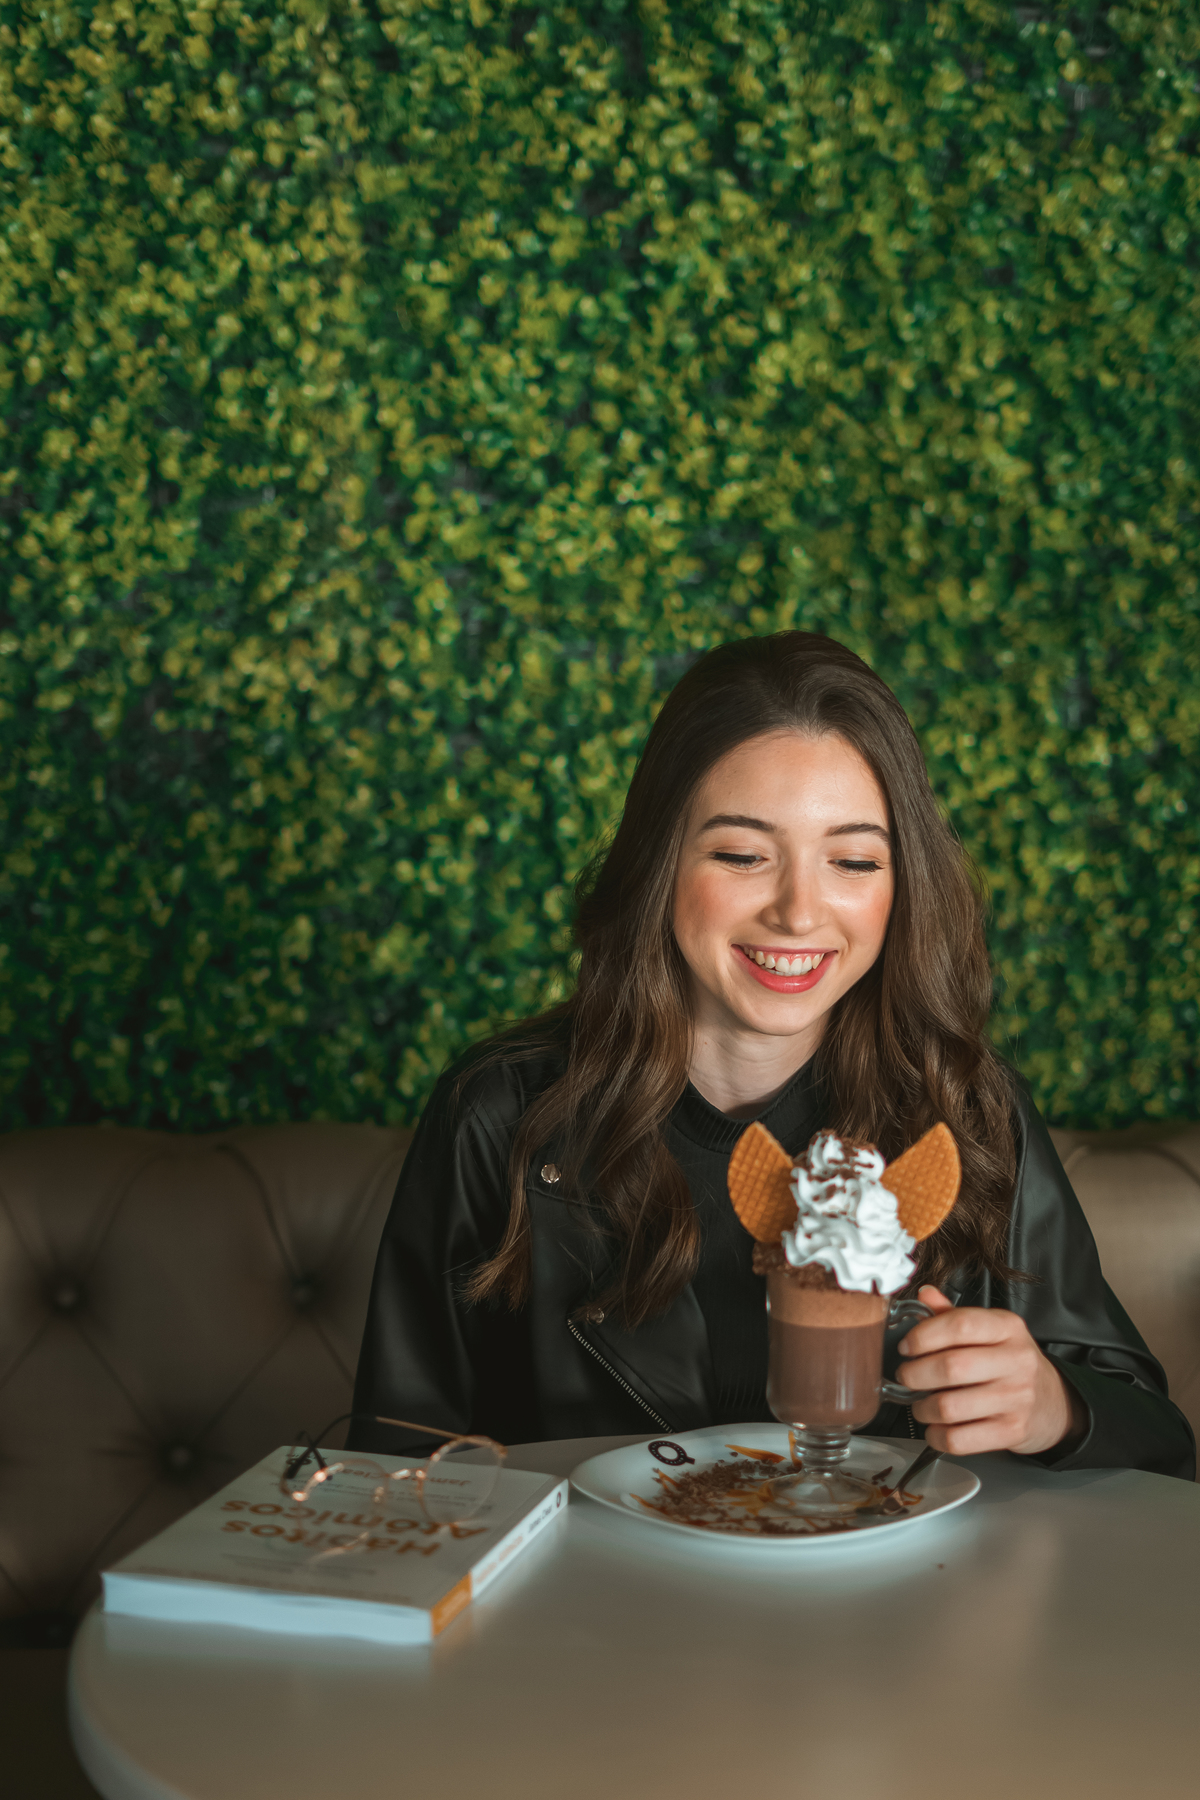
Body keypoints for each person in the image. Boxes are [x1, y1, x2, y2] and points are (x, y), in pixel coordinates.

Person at [349, 633, 1195, 1479]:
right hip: (594, 1602)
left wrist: (1057, 1407)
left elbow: (1158, 1444)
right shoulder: (501, 1115)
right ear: (659, 864)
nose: (798, 912)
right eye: (742, 855)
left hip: (896, 1604)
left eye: (854, 860)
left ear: (901, 886)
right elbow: (394, 1463)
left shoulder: (968, 1108)